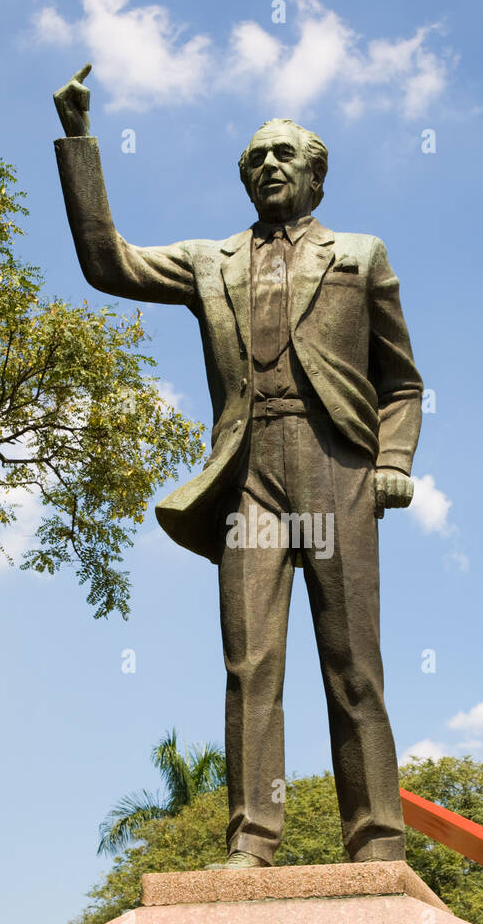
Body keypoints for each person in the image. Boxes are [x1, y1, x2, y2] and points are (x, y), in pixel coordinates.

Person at [53, 65, 423, 867]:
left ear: (317, 173)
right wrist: (80, 141)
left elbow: (402, 382)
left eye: (285, 154)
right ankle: (253, 838)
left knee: (352, 665)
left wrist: (393, 458)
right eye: (255, 158)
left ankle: (377, 842)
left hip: (335, 468)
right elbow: (108, 262)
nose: (269, 167)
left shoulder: (361, 255)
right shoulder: (208, 260)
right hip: (248, 472)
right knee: (249, 663)